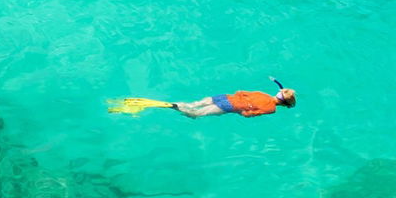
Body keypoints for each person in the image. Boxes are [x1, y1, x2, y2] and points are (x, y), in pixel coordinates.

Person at [111, 79, 298, 118]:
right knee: (195, 115)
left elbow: (240, 90)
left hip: (225, 96)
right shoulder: (271, 109)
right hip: (230, 106)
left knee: (195, 104)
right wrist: (243, 110)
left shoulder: (263, 93)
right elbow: (247, 115)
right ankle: (172, 106)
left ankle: (179, 104)